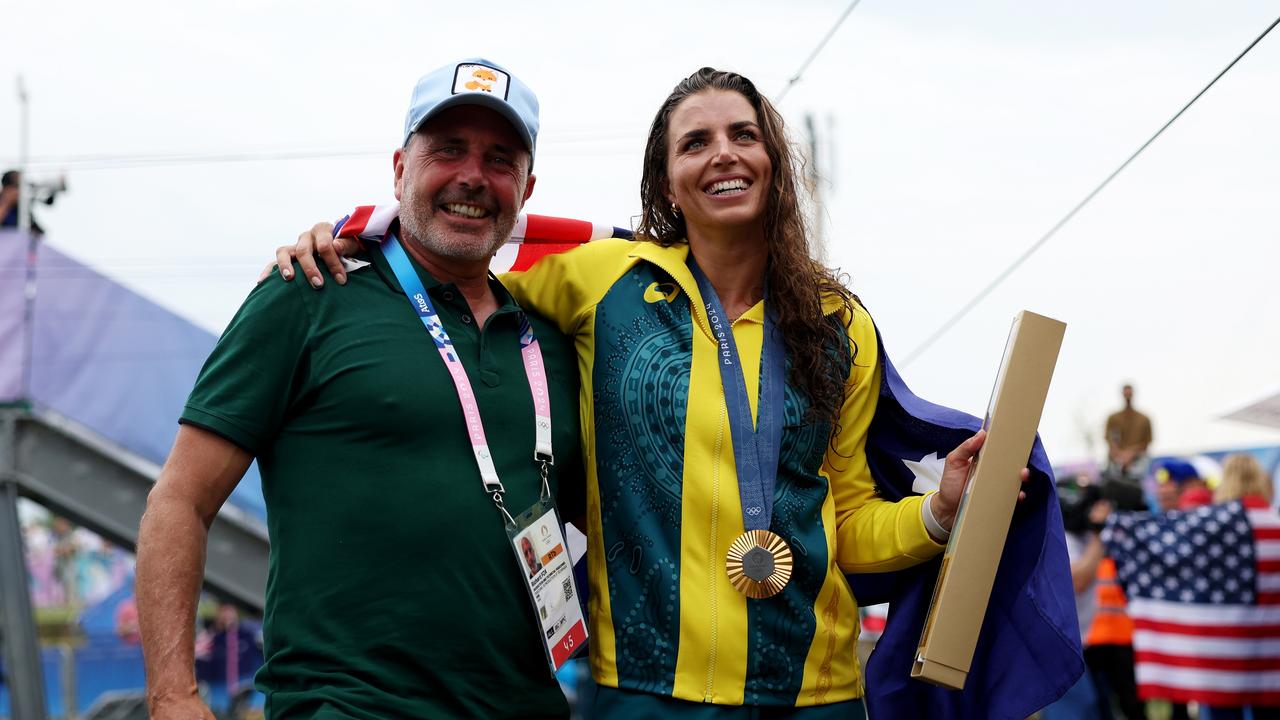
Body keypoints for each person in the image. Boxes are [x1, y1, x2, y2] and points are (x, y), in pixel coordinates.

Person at [277, 67, 1043, 717]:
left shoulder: (841, 325)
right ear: (667, 180)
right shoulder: (600, 279)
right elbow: (451, 261)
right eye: (696, 142)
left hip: (816, 695)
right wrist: (347, 236)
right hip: (643, 692)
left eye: (744, 135)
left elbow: (844, 524)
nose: (724, 155)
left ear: (774, 160)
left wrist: (940, 512)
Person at [136, 58, 585, 719]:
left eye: (499, 159)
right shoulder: (310, 293)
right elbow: (179, 499)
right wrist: (173, 696)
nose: (472, 176)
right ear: (401, 169)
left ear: (527, 187)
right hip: (348, 707)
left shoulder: (553, 338)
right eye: (449, 149)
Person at [1105, 383, 1153, 481]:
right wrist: (1121, 456)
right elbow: (1110, 440)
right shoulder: (1114, 418)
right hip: (1117, 462)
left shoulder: (1144, 419)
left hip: (1138, 461)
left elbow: (1146, 442)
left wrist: (1130, 454)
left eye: (1129, 394)